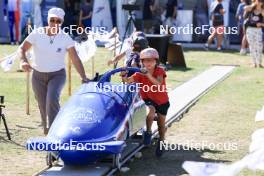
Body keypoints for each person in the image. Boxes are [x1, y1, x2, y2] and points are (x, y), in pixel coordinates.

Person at [19, 7, 90, 135]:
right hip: (37, 75)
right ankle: (47, 129)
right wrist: (23, 61)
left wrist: (83, 77)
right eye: (52, 20)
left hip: (57, 75)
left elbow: (75, 58)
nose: (55, 23)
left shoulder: (65, 37)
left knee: (52, 99)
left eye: (58, 21)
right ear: (48, 20)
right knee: (42, 103)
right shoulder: (36, 33)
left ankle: (55, 132)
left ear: (61, 23)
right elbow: (22, 49)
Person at [122, 48, 170, 157]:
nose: (147, 63)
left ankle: (161, 141)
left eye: (150, 60)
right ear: (141, 62)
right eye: (145, 61)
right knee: (150, 112)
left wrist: (148, 74)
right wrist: (124, 75)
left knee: (161, 126)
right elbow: (127, 81)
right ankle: (148, 132)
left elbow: (158, 84)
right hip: (148, 99)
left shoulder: (160, 71)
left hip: (162, 101)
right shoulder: (139, 74)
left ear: (156, 61)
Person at [244, 0, 264, 68]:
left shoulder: (262, 10)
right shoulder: (251, 9)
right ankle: (254, 63)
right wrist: (253, 5)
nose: (260, 2)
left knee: (259, 46)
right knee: (252, 46)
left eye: (261, 1)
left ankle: (260, 63)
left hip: (258, 30)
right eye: (258, 1)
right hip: (250, 29)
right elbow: (245, 8)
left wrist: (261, 24)